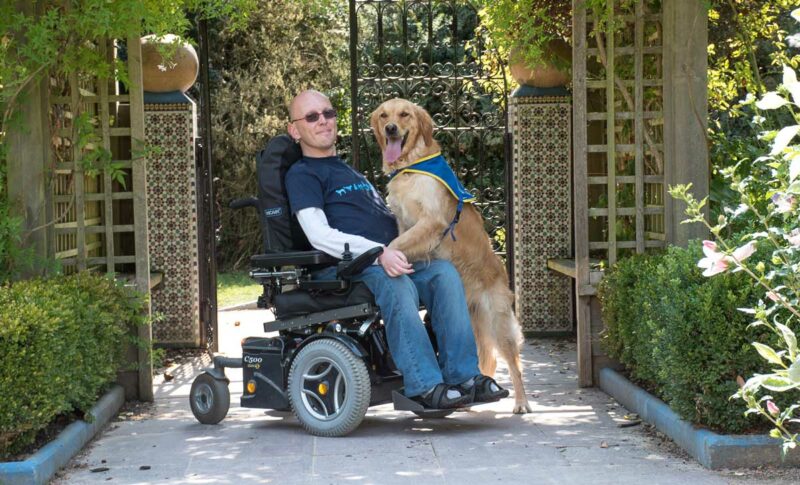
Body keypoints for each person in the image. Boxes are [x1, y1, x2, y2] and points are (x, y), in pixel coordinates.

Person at [284, 89, 508, 409]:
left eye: (328, 114)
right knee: (395, 280)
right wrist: (379, 252)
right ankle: (425, 385)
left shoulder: (348, 171)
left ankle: (464, 376)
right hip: (349, 268)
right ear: (295, 130)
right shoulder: (302, 174)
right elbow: (319, 235)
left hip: (386, 259)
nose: (323, 121)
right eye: (311, 117)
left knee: (443, 273)